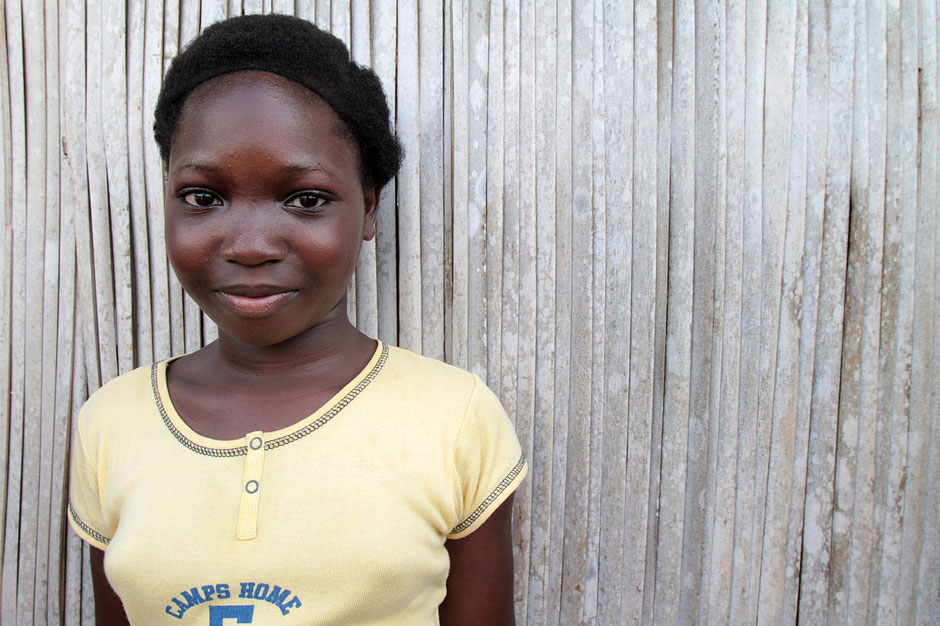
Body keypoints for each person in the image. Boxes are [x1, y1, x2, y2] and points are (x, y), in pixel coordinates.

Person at [67, 14, 527, 625]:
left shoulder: (454, 418)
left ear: (367, 209)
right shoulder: (112, 423)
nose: (251, 245)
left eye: (305, 199)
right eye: (204, 197)